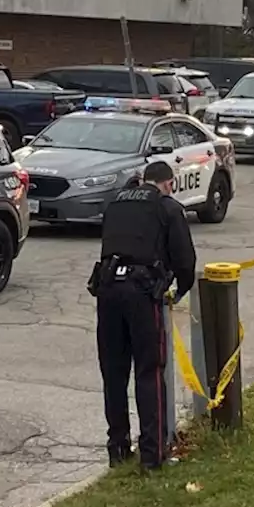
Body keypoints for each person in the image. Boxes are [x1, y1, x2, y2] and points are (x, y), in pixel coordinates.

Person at [89, 160, 197, 471]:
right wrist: (180, 289)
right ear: (167, 184)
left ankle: (118, 448)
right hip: (141, 294)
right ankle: (152, 454)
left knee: (114, 373)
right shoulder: (167, 208)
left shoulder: (116, 204)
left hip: (108, 290)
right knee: (149, 372)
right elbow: (185, 259)